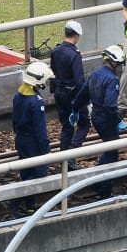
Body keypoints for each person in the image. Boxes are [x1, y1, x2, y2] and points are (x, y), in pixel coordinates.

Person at [73, 45, 127, 199]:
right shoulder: (112, 80)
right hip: (106, 119)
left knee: (109, 148)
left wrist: (75, 109)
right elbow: (110, 105)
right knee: (113, 152)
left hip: (96, 117)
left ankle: (98, 180)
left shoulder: (94, 74)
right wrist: (117, 117)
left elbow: (83, 94)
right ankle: (102, 186)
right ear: (115, 63)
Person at [12, 61, 54, 212]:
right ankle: (15, 199)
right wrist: (45, 147)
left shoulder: (18, 95)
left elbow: (14, 121)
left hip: (21, 139)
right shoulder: (36, 103)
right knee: (39, 173)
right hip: (33, 143)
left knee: (27, 171)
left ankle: (30, 205)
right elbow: (40, 129)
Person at [49, 20, 88, 172]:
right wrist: (84, 99)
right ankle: (72, 153)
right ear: (76, 35)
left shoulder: (55, 51)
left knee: (67, 126)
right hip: (73, 95)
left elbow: (53, 69)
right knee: (84, 124)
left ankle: (64, 158)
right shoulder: (74, 54)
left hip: (59, 93)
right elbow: (79, 80)